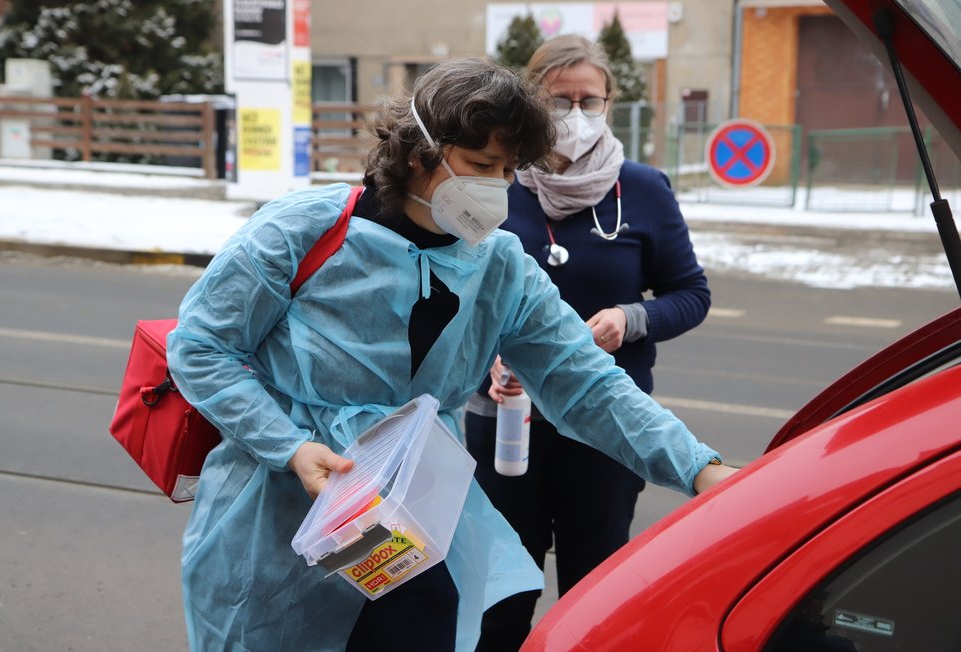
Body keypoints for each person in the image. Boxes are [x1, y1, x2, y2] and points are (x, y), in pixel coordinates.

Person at [167, 56, 735, 652]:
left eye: (510, 170)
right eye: (480, 165)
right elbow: (202, 348)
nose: (498, 188)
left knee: (420, 623)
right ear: (420, 152)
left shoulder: (501, 266)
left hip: (402, 521)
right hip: (277, 516)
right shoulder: (300, 231)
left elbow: (587, 382)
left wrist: (700, 468)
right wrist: (290, 449)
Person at [463, 35, 712, 650]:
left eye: (590, 100)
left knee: (594, 592)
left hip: (607, 427)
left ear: (609, 103)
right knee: (500, 595)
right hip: (506, 425)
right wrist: (484, 362)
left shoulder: (643, 189)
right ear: (530, 101)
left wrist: (630, 320)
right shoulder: (493, 182)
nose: (575, 115)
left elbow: (690, 293)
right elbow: (456, 300)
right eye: (559, 100)